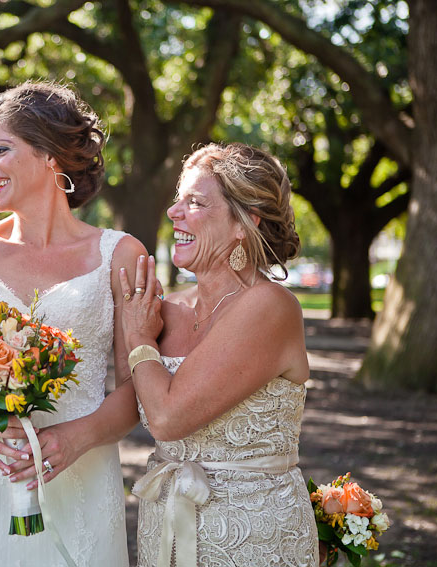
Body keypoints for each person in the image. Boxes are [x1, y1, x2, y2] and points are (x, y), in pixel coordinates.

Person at [0, 81, 145, 566]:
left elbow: (138, 389)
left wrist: (77, 438)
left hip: (80, 477)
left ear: (50, 156)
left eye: (1, 149)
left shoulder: (120, 254)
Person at [120, 142, 320, 566]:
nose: (174, 212)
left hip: (253, 536)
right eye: (177, 200)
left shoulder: (271, 307)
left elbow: (168, 418)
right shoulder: (165, 309)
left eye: (194, 202)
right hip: (165, 528)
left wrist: (139, 338)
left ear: (244, 223)